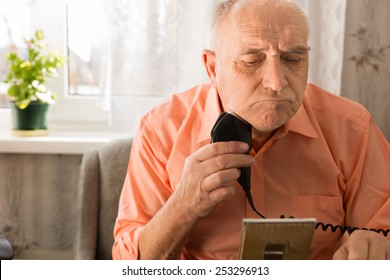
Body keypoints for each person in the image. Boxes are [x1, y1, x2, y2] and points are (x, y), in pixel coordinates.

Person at [112, 0, 390, 260]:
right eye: (251, 61)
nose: (277, 82)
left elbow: (381, 234)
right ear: (212, 67)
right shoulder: (160, 131)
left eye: (293, 59)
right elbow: (127, 266)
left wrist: (375, 247)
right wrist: (182, 207)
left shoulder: (353, 130)